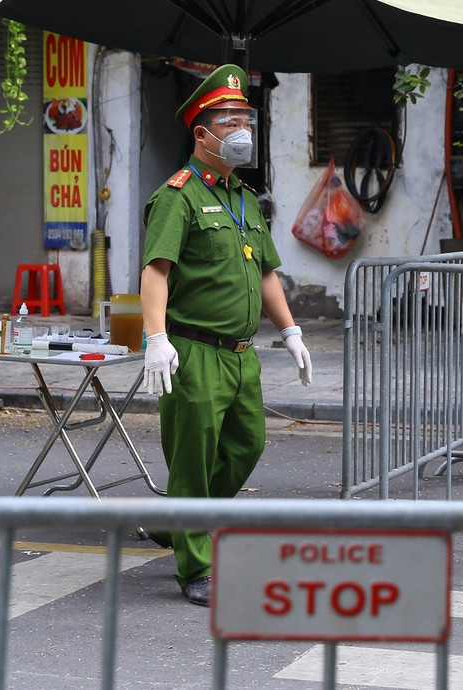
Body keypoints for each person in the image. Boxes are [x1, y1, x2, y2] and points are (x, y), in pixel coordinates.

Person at [140, 64, 313, 607]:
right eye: (230, 120)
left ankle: (180, 519)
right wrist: (155, 337)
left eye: (246, 118)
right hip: (194, 352)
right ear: (202, 133)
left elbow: (264, 272)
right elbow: (156, 270)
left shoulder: (242, 197)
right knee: (193, 457)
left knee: (247, 443)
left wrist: (290, 331)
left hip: (242, 356)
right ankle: (195, 566)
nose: (243, 129)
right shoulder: (178, 196)